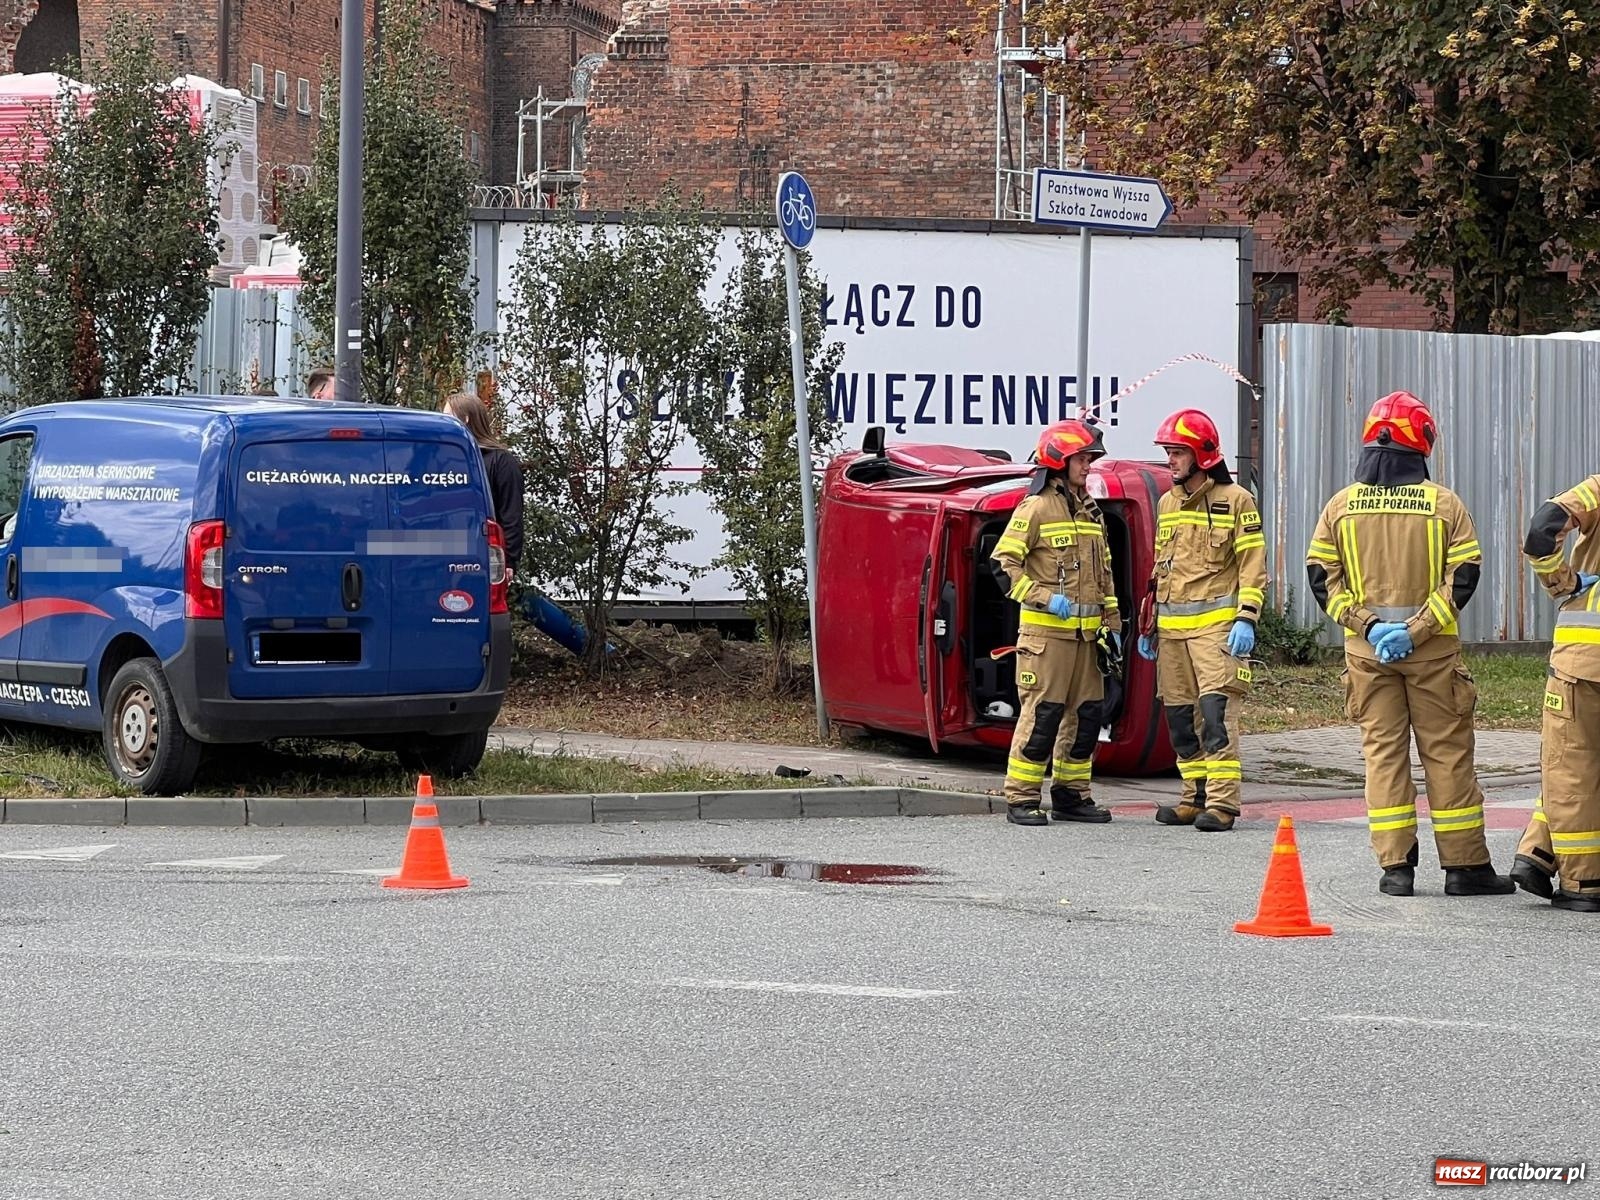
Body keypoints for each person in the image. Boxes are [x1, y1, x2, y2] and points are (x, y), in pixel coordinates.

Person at [1304, 390, 1513, 898]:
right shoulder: (1443, 504)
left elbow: (1319, 579)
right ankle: (1465, 869)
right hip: (1433, 656)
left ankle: (1396, 868)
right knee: (1447, 755)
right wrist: (1415, 629)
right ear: (1421, 442)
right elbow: (1464, 577)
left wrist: (1370, 627)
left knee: (1383, 755)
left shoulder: (1340, 506)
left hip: (1366, 655)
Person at [1136, 408, 1266, 832]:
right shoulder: (1167, 502)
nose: (1171, 460)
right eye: (1169, 452)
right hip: (1172, 633)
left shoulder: (1236, 501)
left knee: (1215, 715)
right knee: (1180, 719)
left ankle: (1223, 803)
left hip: (1216, 632)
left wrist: (1247, 618)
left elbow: (1252, 565)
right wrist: (1150, 620)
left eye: (1178, 452)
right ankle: (1193, 797)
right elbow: (1162, 566)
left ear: (1203, 455)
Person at [990, 418, 1121, 826]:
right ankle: (1022, 797)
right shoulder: (1036, 507)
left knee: (1086, 719)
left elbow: (1106, 578)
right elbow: (1002, 564)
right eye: (1082, 458)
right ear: (1059, 461)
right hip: (1046, 639)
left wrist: (1113, 628)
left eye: (1090, 458)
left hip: (1086, 640)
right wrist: (1044, 597)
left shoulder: (1091, 512)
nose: (1088, 466)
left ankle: (1072, 795)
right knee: (1043, 716)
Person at [1514, 471, 1600, 911]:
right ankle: (1551, 860)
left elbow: (1542, 529)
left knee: (1572, 765)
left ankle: (1559, 867)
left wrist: (1562, 583)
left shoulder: (1598, 489)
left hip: (1581, 663)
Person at [441, 390, 523, 576]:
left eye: (447, 417)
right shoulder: (446, 459)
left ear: (466, 419)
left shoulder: (501, 461)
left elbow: (511, 515)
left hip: (484, 558)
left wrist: (508, 562)